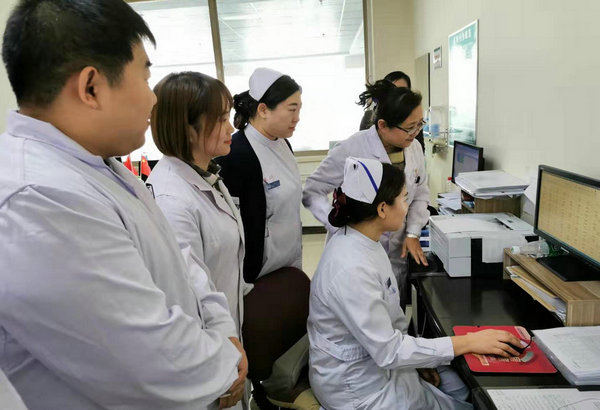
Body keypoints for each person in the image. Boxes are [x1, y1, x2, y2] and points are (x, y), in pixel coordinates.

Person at [0, 1, 246, 409]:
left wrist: (223, 329)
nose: (153, 99)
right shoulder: (37, 198)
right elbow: (152, 362)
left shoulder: (99, 164)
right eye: (145, 77)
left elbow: (178, 257)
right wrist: (225, 362)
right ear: (91, 88)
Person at [307, 157, 524, 410]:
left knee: (460, 389)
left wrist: (420, 361)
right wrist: (470, 342)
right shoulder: (351, 268)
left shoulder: (363, 240)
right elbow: (389, 351)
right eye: (404, 198)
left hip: (377, 364)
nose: (408, 206)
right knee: (473, 400)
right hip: (358, 389)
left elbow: (391, 324)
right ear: (382, 209)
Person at [303, 80, 429, 306]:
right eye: (410, 127)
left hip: (396, 251)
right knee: (361, 308)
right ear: (383, 125)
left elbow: (420, 193)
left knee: (392, 309)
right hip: (356, 251)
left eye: (420, 124)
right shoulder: (352, 148)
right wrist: (338, 224)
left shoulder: (415, 148)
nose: (416, 133)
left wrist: (412, 233)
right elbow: (312, 190)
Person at [147, 72, 247, 337]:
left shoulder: (206, 174)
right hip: (208, 339)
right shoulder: (172, 199)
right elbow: (191, 292)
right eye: (222, 119)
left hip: (228, 327)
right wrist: (226, 341)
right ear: (188, 129)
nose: (231, 128)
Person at [216, 67, 303, 284]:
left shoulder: (283, 143)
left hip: (290, 261)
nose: (297, 118)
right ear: (263, 109)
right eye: (292, 109)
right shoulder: (236, 153)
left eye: (299, 109)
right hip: (259, 273)